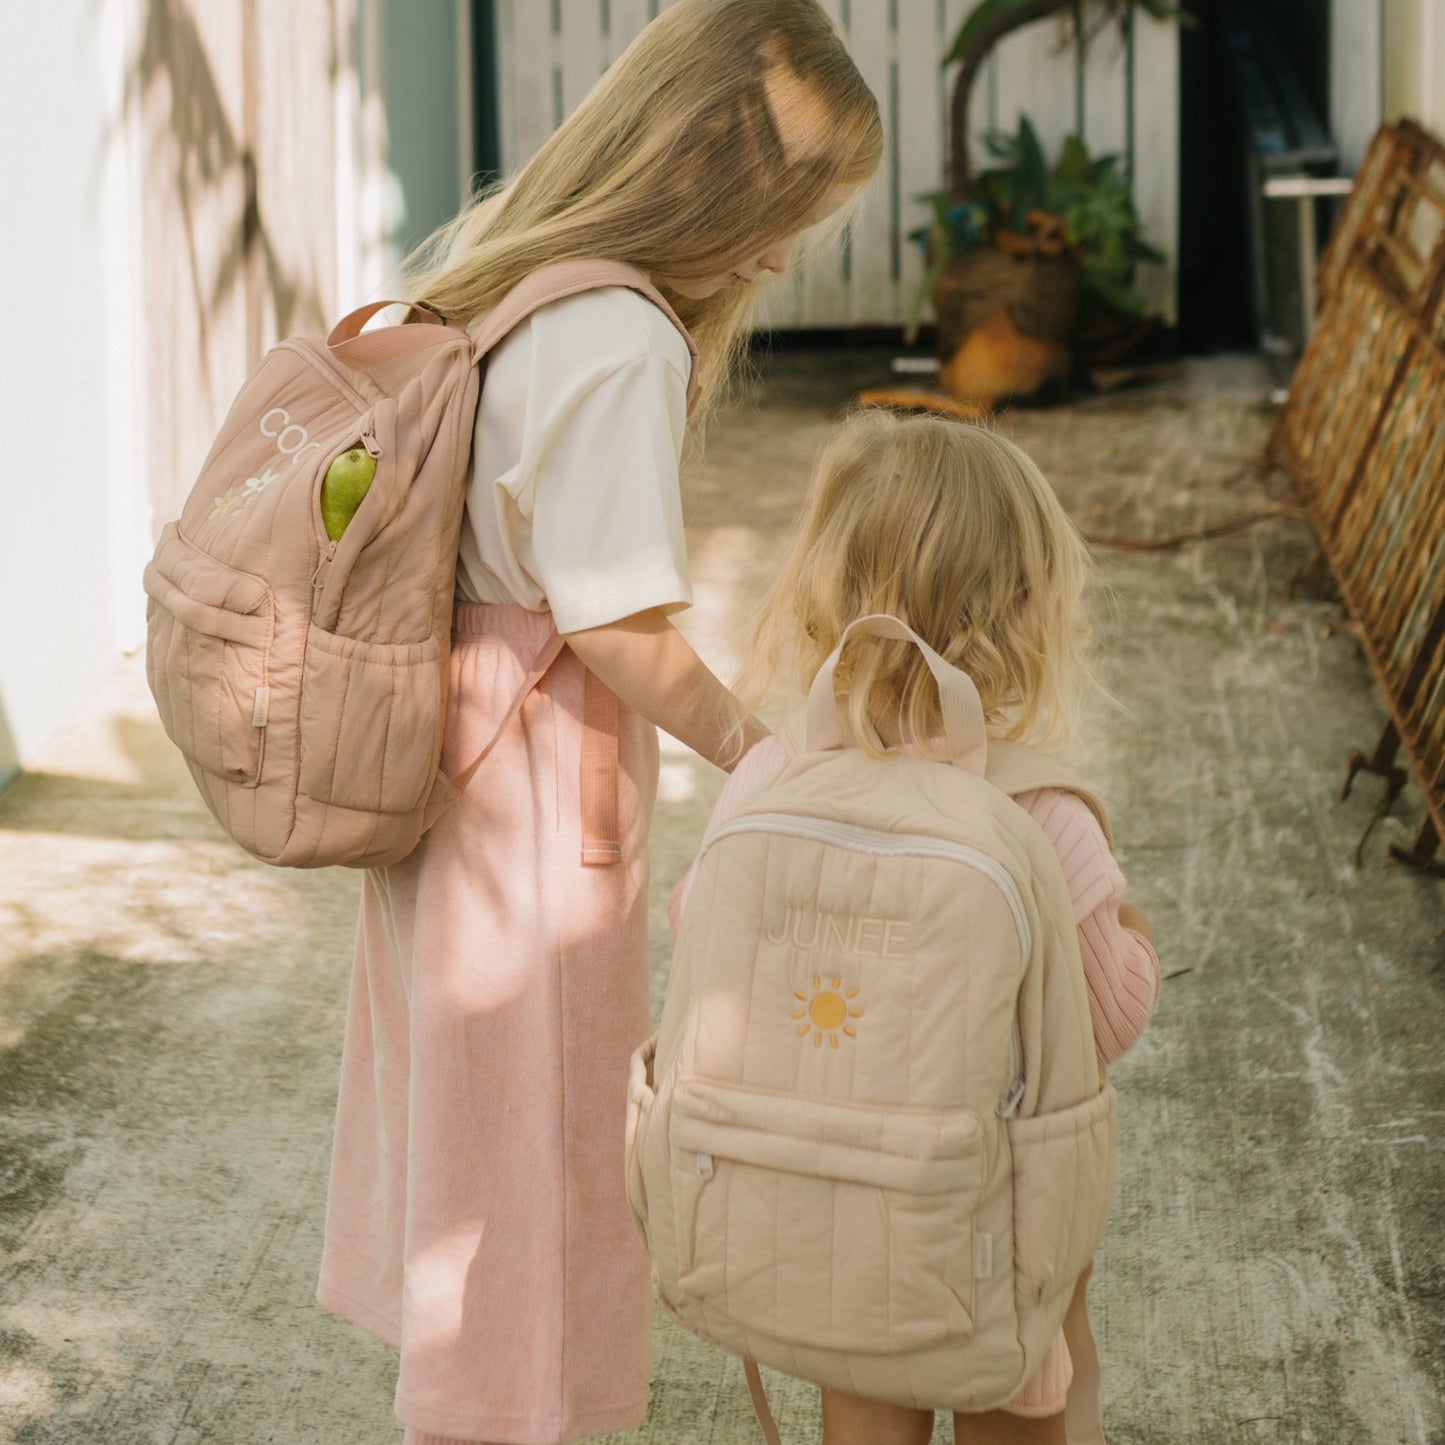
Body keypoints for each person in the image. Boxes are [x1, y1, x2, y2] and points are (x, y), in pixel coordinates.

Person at [314, 5, 882, 1444]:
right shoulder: (620, 336)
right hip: (533, 788)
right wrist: (768, 751)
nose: (782, 255)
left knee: (471, 1128)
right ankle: (516, 1414)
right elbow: (618, 628)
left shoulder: (517, 276)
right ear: (721, 183)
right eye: (789, 217)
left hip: (446, 756)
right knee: (545, 1144)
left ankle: (476, 1396)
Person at [668, 409, 1161, 1445]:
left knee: (861, 1396)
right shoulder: (1034, 810)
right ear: (1023, 608)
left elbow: (699, 936)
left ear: (824, 589)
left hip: (832, 1223)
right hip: (991, 1223)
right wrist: (1131, 932)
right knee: (1022, 1395)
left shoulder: (769, 776)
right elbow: (1106, 1016)